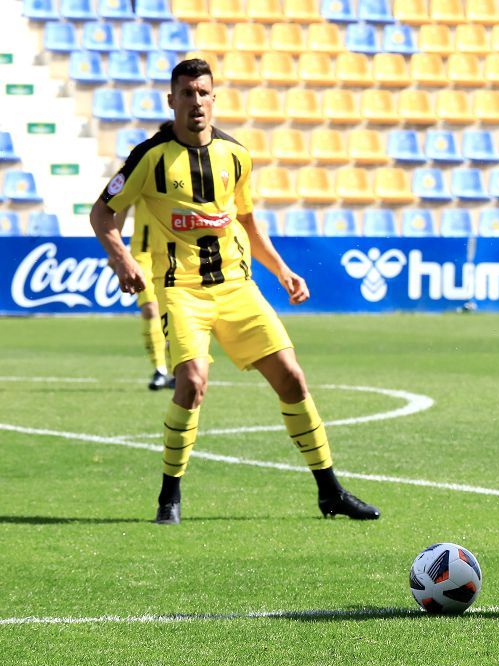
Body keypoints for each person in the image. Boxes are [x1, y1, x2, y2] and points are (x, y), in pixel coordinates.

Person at [89, 58, 379, 524]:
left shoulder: (236, 156)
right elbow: (102, 214)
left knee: (292, 377)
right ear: (172, 100)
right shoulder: (149, 158)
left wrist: (283, 271)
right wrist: (121, 259)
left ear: (213, 99)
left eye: (203, 93)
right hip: (181, 291)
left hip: (237, 287)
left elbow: (245, 220)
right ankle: (169, 497)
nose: (196, 102)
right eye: (187, 94)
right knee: (192, 383)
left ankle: (330, 492)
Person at [117, 202, 174, 390]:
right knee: (150, 309)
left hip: (172, 252)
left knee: (174, 311)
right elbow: (120, 206)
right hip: (141, 255)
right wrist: (116, 250)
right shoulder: (138, 172)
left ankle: (177, 369)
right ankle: (160, 370)